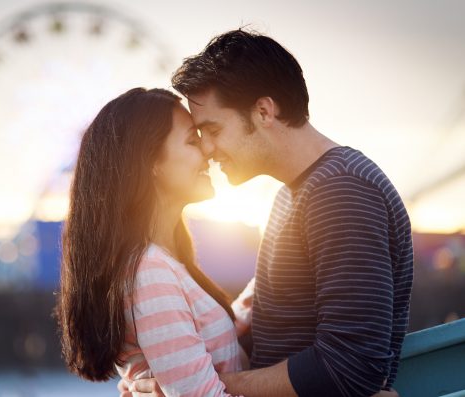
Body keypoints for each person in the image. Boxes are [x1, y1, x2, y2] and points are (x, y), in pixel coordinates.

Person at [121, 29, 413, 397]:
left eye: (212, 129)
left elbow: (350, 366)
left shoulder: (341, 191)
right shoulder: (296, 195)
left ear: (263, 111)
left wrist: (203, 388)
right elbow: (274, 331)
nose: (207, 149)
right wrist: (163, 377)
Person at [56, 87, 252, 396]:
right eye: (192, 140)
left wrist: (275, 272)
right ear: (151, 163)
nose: (208, 151)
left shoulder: (163, 263)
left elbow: (204, 336)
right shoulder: (149, 272)